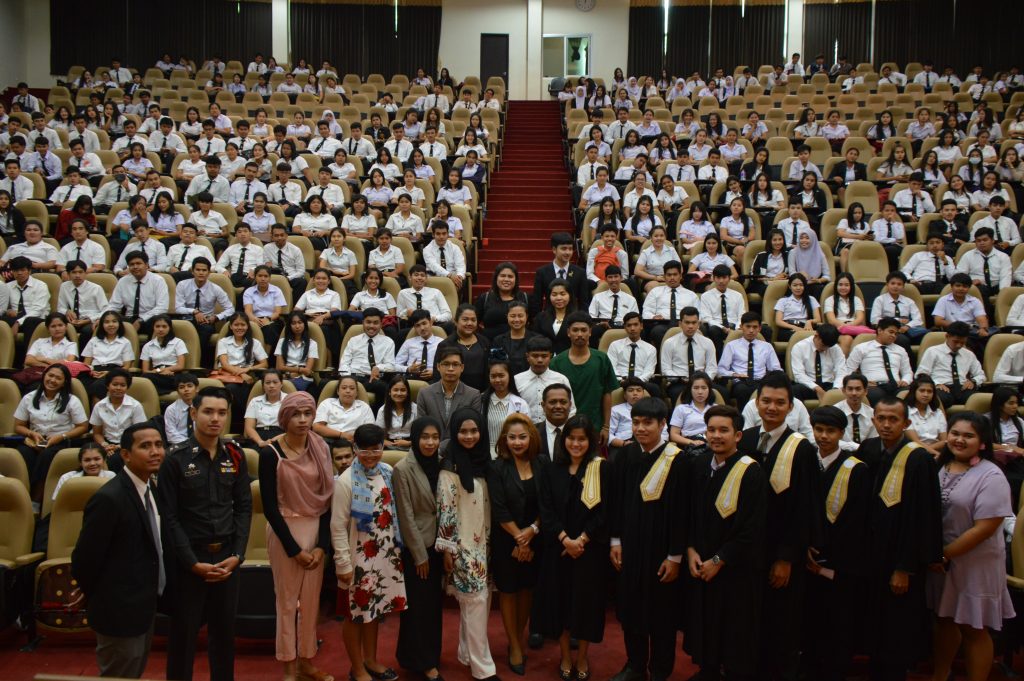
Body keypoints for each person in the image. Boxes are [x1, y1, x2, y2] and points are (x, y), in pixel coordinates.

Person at [158, 386, 252, 681]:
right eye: (208, 411)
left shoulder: (235, 455)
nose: (215, 418)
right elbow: (169, 518)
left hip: (226, 559)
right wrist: (191, 563)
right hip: (190, 562)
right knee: (183, 638)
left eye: (222, 413)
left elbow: (244, 508)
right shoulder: (175, 460)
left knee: (224, 637)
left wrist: (237, 554)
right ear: (193, 413)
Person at [739, 372, 822, 680]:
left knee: (781, 624)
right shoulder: (745, 439)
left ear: (791, 407)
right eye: (766, 401)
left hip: (780, 553)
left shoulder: (800, 449)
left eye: (779, 403)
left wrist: (786, 557)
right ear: (756, 403)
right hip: (747, 552)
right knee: (749, 621)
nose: (772, 408)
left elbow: (803, 508)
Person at [70, 424, 166, 679]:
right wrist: (96, 593)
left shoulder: (149, 488)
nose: (155, 451)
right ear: (125, 454)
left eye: (158, 445)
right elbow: (84, 558)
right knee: (119, 674)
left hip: (143, 605)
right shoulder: (109, 498)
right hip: (118, 610)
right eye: (145, 446)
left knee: (133, 672)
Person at [856, 397, 942, 681]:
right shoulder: (868, 449)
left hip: (899, 559)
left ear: (906, 423)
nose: (886, 424)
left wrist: (904, 567)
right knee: (873, 628)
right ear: (873, 419)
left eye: (894, 419)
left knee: (896, 632)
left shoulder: (918, 459)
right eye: (881, 418)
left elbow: (923, 517)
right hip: (870, 555)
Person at [928, 412, 1015, 681]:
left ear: (982, 442)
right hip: (942, 561)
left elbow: (985, 528)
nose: (959, 440)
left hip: (975, 561)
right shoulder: (941, 465)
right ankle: (940, 675)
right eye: (955, 433)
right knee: (944, 621)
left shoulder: (991, 475)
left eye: (968, 436)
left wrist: (943, 554)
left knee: (973, 627)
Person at [609, 397, 686, 681]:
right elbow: (616, 501)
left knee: (662, 615)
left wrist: (675, 556)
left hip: (661, 550)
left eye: (647, 423)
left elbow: (682, 512)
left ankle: (660, 669)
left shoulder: (677, 460)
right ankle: (635, 665)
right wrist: (615, 541)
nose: (640, 428)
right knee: (630, 608)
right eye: (636, 422)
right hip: (630, 547)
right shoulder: (627, 455)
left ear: (663, 424)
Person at [259, 391, 334, 681]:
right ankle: (288, 665)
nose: (303, 421)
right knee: (287, 603)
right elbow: (269, 507)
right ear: (284, 417)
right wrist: (293, 550)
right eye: (296, 414)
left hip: (315, 530)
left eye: (308, 414)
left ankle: (306, 661)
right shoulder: (270, 453)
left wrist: (321, 547)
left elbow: (327, 498)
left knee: (312, 603)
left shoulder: (321, 447)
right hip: (284, 532)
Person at [331, 423, 406, 681]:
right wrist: (343, 564)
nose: (372, 455)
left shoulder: (387, 471)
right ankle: (357, 668)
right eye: (365, 450)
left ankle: (371, 660)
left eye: (376, 449)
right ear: (355, 449)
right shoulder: (345, 481)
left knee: (375, 610)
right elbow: (338, 527)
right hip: (357, 558)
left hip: (385, 555)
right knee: (355, 615)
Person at [535, 414, 608, 680]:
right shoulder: (551, 470)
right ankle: (565, 655)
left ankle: (583, 656)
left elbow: (603, 512)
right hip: (559, 549)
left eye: (582, 439)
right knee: (561, 604)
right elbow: (547, 509)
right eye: (571, 438)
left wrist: (582, 540)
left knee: (585, 606)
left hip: (589, 551)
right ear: (564, 440)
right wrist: (566, 539)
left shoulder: (600, 468)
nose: (576, 444)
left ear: (591, 442)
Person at [803, 406, 871, 681]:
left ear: (841, 433)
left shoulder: (856, 469)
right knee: (810, 620)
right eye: (818, 430)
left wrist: (826, 558)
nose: (823, 436)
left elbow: (857, 521)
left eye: (830, 431)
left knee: (838, 621)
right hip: (807, 556)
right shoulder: (807, 462)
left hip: (839, 562)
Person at [436, 410, 499, 681]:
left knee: (477, 604)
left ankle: (465, 652)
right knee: (476, 605)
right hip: (463, 547)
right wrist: (449, 548)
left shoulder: (486, 462)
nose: (470, 436)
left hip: (485, 544)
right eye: (463, 431)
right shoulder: (450, 468)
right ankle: (483, 668)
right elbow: (446, 510)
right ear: (454, 433)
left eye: (474, 431)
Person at [489, 414, 546, 676]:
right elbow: (499, 509)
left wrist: (531, 532)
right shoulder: (497, 467)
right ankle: (513, 644)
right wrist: (519, 537)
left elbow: (548, 504)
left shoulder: (542, 463)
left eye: (522, 436)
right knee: (509, 591)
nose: (517, 442)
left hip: (536, 537)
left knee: (527, 590)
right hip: (506, 540)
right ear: (504, 439)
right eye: (511, 437)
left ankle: (520, 636)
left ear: (531, 437)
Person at [393, 417, 445, 681]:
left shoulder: (442, 462)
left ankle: (428, 655)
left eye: (435, 437)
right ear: (415, 438)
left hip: (439, 545)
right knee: (418, 607)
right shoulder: (403, 468)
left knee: (433, 606)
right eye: (425, 437)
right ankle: (423, 662)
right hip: (419, 548)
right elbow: (405, 515)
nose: (430, 442)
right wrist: (419, 554)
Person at [14, 363, 90, 498]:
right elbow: (18, 426)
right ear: (44, 376)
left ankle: (36, 500)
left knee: (46, 456)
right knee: (23, 453)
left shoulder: (72, 401)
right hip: (36, 440)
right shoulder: (29, 398)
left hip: (60, 441)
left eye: (58, 378)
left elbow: (83, 427)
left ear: (64, 382)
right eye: (50, 375)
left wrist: (61, 436)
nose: (52, 380)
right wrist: (31, 433)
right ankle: (22, 496)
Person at [550, 312, 617, 436]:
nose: (579, 334)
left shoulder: (602, 359)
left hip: (595, 427)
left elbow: (607, 394)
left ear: (590, 332)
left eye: (583, 330)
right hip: (564, 428)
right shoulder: (556, 362)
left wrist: (606, 427)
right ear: (568, 332)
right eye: (575, 330)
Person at [717, 312, 781, 407]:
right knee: (742, 390)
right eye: (748, 326)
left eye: (755, 327)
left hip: (760, 381)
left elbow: (776, 369)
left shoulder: (767, 347)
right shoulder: (732, 346)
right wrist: (734, 374)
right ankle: (743, 419)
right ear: (741, 327)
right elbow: (721, 370)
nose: (751, 330)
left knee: (767, 389)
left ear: (759, 328)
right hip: (740, 381)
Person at [845, 317, 913, 405]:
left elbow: (908, 372)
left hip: (897, 385)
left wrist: (905, 381)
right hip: (874, 386)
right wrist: (863, 382)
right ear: (880, 330)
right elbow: (849, 370)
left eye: (896, 334)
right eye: (891, 332)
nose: (894, 336)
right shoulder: (862, 348)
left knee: (909, 394)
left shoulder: (901, 350)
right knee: (876, 395)